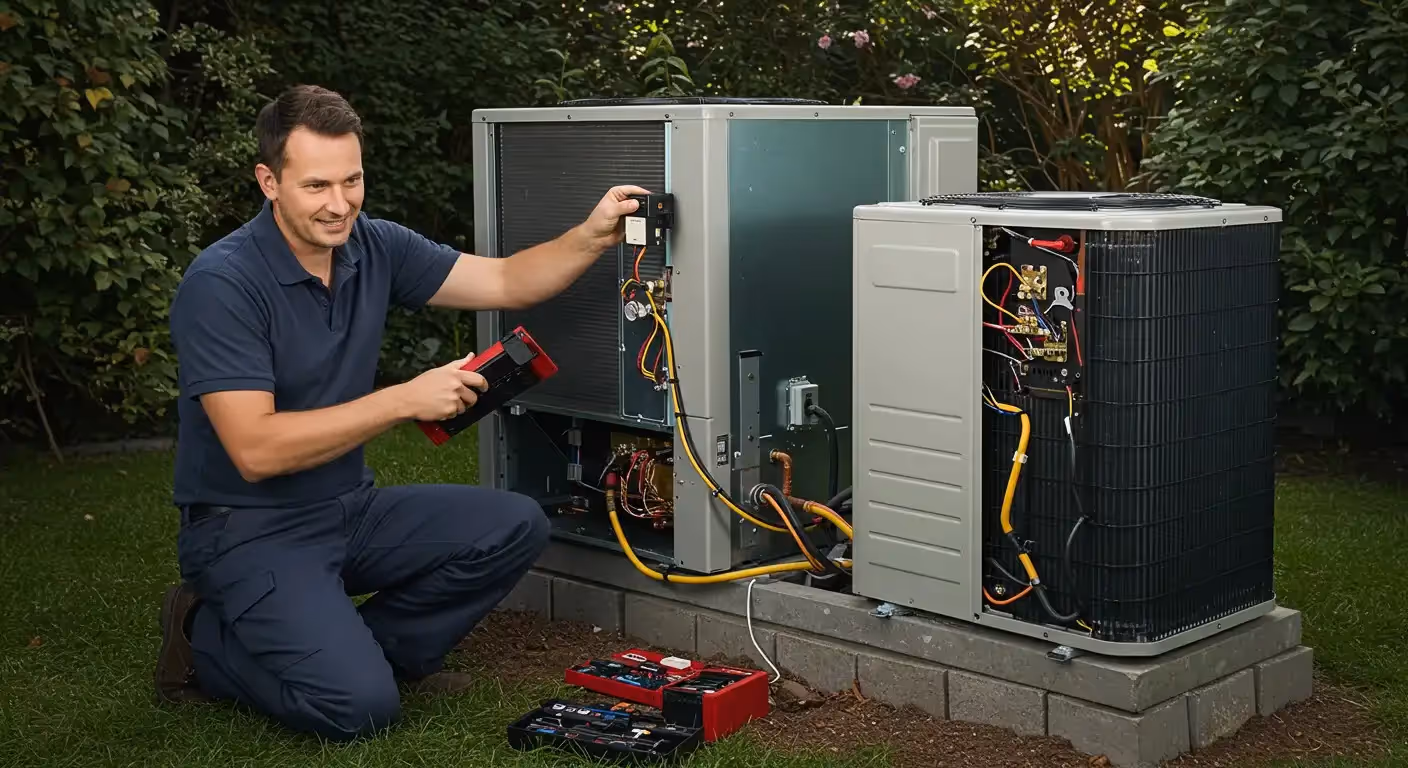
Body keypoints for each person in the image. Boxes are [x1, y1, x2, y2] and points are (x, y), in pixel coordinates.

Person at [153, 84, 647, 741]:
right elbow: (255, 448)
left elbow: (505, 281)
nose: (339, 205)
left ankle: (385, 654)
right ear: (269, 182)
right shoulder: (222, 285)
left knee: (515, 524)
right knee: (357, 711)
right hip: (248, 527)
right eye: (317, 186)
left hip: (346, 508)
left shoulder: (373, 247)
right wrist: (403, 399)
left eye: (352, 181)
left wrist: (590, 235)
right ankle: (203, 635)